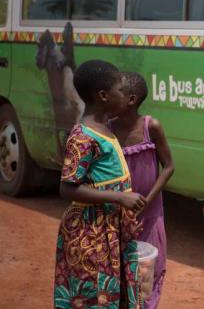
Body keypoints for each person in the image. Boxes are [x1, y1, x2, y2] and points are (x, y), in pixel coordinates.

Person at [54, 60, 145, 309]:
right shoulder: (83, 136)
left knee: (117, 292)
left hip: (112, 228)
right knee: (95, 294)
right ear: (103, 96)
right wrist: (119, 198)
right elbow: (67, 188)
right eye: (120, 90)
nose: (124, 95)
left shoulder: (104, 128)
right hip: (91, 232)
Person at [111, 72, 175, 309]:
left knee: (149, 272)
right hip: (117, 212)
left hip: (149, 211)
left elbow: (169, 166)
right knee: (118, 269)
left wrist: (147, 201)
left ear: (131, 99)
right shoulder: (107, 130)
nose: (108, 98)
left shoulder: (151, 127)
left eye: (114, 93)